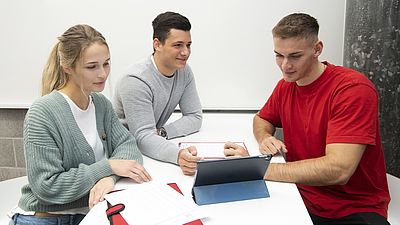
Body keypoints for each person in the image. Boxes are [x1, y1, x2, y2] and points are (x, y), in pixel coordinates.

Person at [224, 13, 391, 225]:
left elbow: (338, 170)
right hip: (298, 196)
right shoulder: (286, 86)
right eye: (279, 55)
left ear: (317, 49)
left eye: (295, 56)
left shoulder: (352, 90)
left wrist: (256, 168)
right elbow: (261, 118)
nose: (285, 66)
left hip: (352, 209)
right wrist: (265, 137)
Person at [8, 24, 151, 225]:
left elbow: (128, 148)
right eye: (92, 66)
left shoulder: (101, 105)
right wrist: (108, 166)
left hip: (91, 214)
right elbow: (47, 186)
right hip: (46, 218)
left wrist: (109, 178)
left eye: (106, 64)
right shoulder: (42, 112)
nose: (102, 74)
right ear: (68, 67)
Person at [113, 11, 203, 176]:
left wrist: (163, 132)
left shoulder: (184, 71)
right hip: (123, 153)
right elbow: (141, 137)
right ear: (157, 44)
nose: (186, 52)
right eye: (178, 45)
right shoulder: (135, 80)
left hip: (151, 149)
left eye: (188, 45)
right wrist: (178, 155)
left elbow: (195, 117)